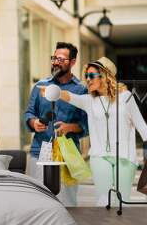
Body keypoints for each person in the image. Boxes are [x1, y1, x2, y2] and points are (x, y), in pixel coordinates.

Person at [40, 57, 147, 206]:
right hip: (99, 157)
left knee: (123, 202)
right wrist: (53, 91)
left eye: (91, 75)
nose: (87, 80)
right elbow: (69, 96)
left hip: (124, 157)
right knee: (104, 201)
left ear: (104, 76)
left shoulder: (126, 98)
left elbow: (142, 126)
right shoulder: (89, 101)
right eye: (86, 76)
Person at [24, 42, 88, 206]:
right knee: (38, 200)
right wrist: (34, 122)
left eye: (61, 59)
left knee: (67, 203)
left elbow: (86, 123)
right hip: (40, 149)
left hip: (68, 152)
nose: (55, 62)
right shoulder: (40, 86)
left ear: (72, 62)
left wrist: (70, 127)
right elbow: (29, 113)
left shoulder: (81, 89)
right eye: (54, 58)